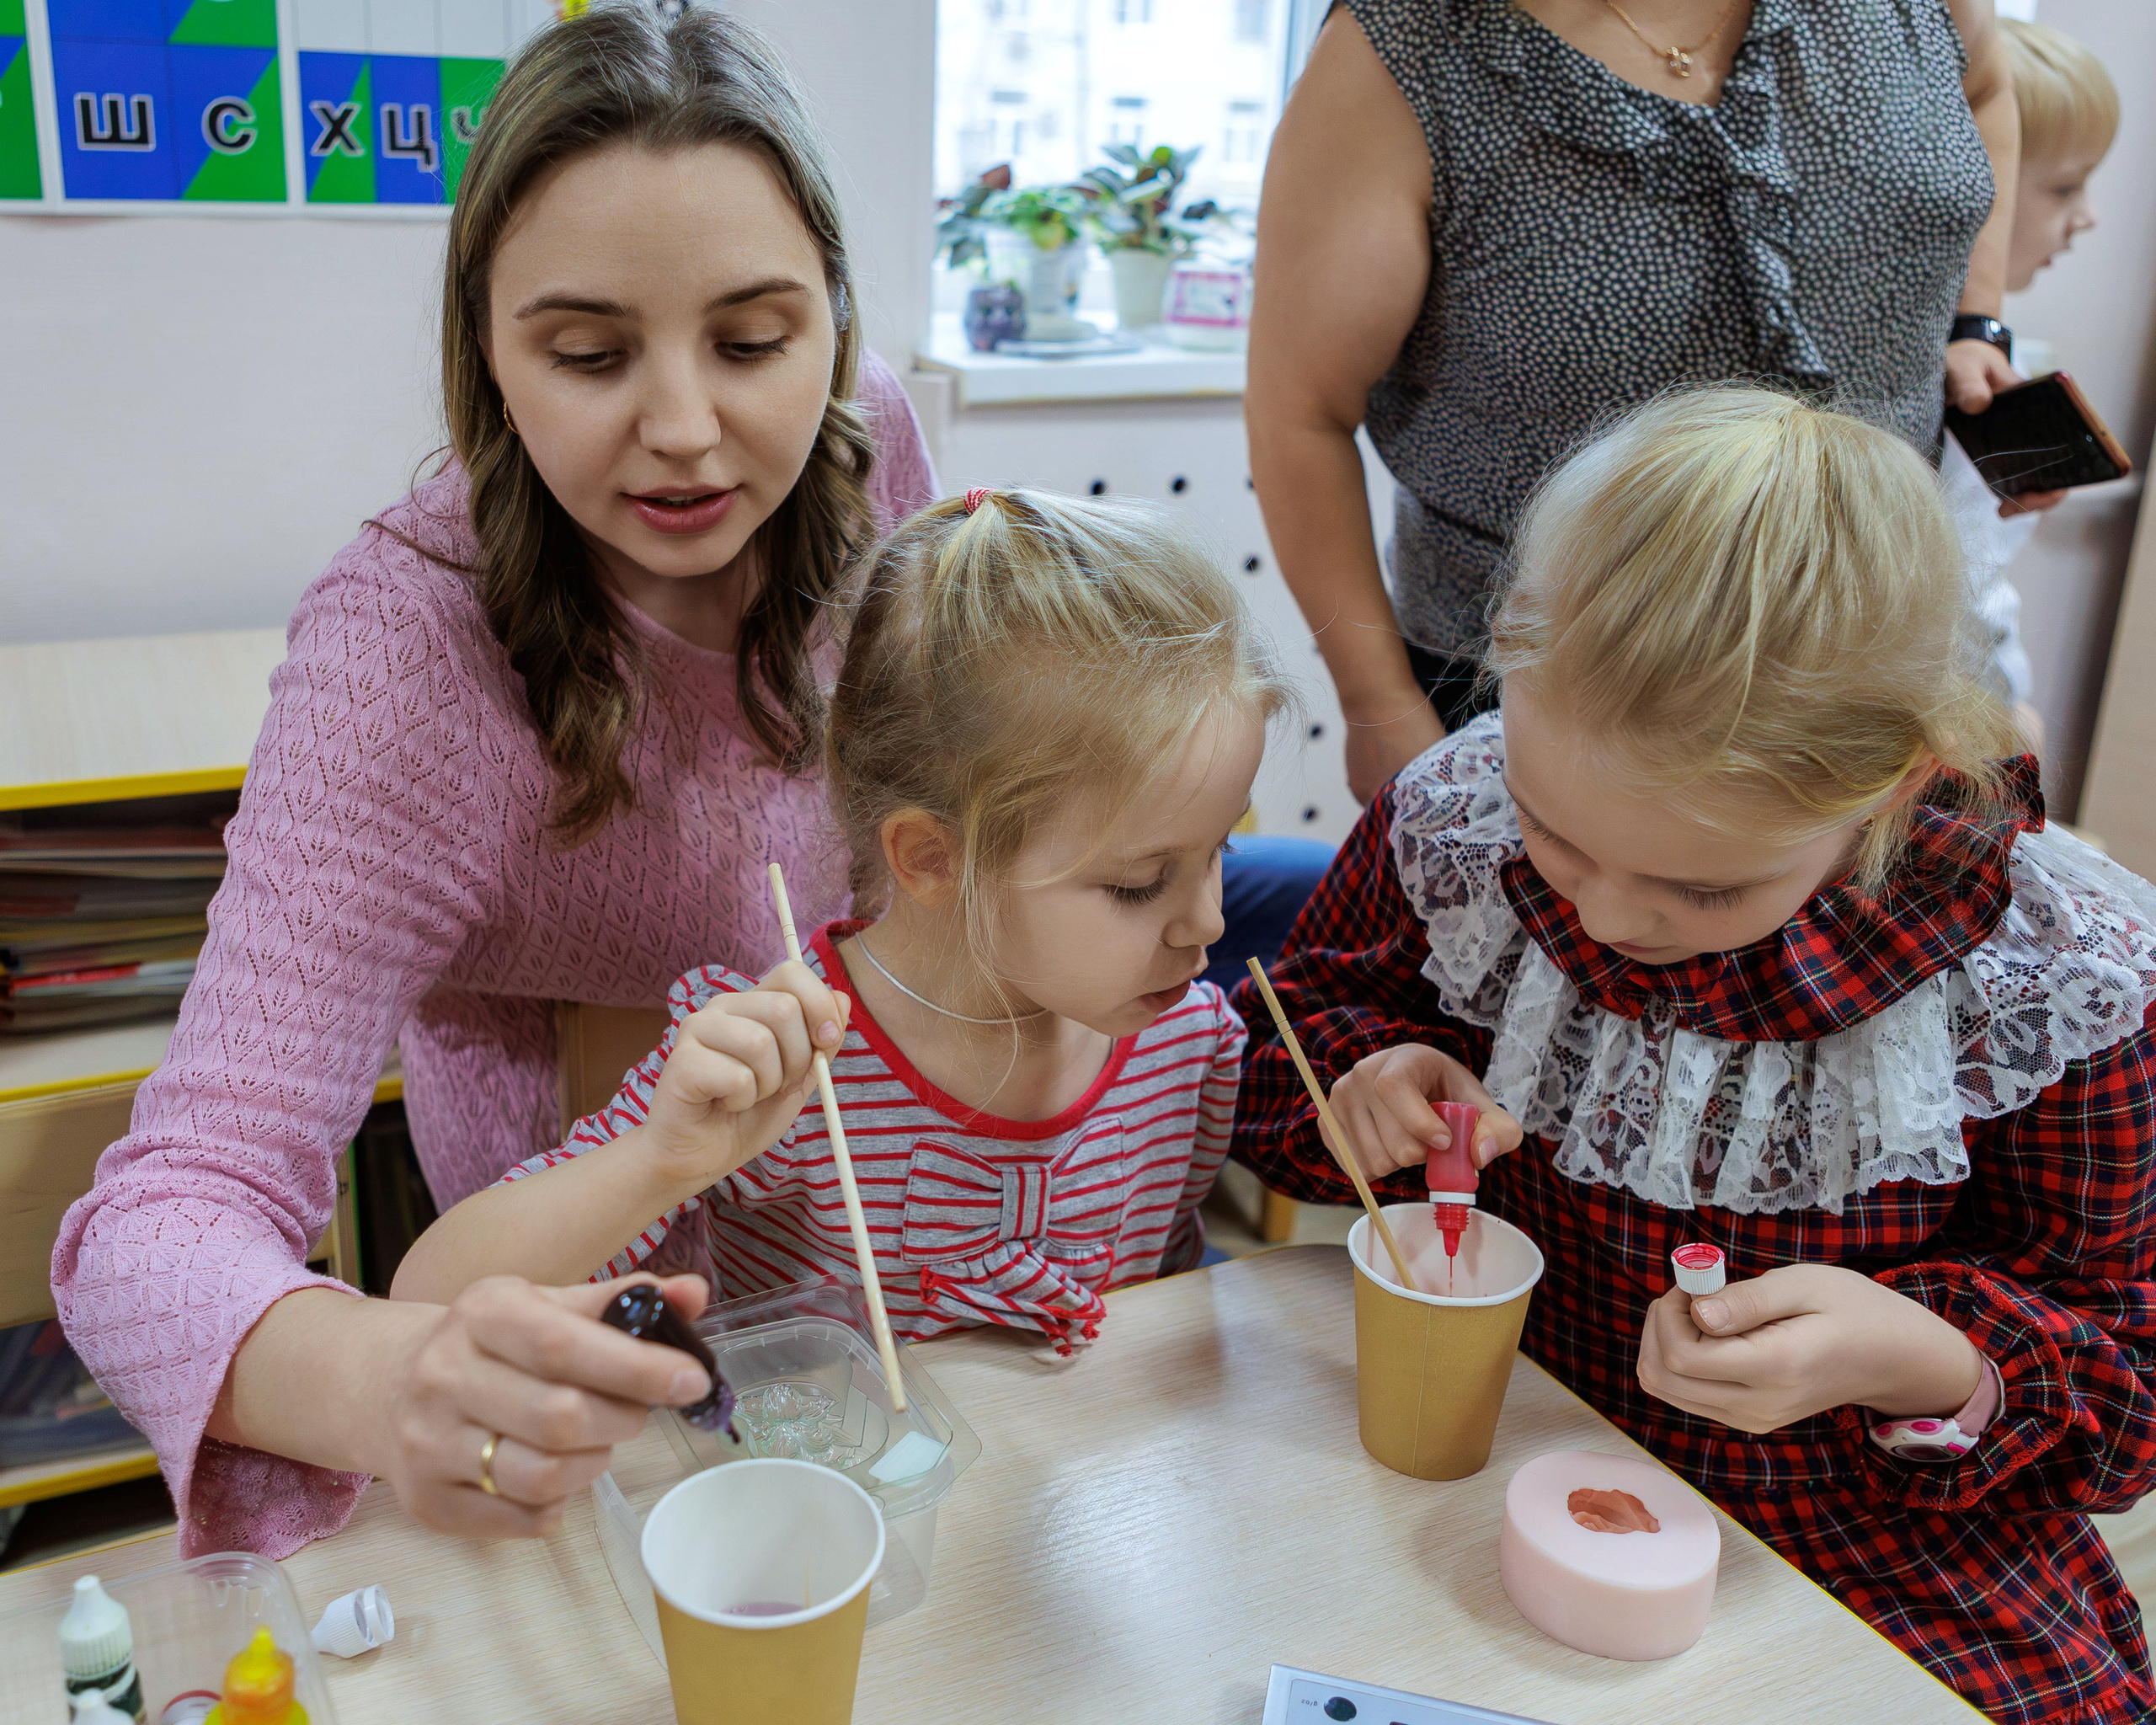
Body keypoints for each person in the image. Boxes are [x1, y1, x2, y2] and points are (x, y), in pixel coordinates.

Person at [51, 7, 943, 1557]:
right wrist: (384, 1373)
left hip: (880, 1256)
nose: (683, 431)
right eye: (588, 353)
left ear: (841, 328)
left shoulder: (875, 464)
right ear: (486, 351)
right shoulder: (405, 654)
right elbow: (155, 1223)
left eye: (753, 342)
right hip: (577, 1331)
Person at [1233, 387, 2156, 1723]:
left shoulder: (2049, 981)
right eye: (1557, 836)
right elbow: (1276, 1049)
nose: (1604, 917)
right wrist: (1363, 1084)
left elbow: (2128, 1392)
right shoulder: (1464, 830)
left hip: (1865, 1544)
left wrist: (1922, 1358)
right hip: (1493, 1449)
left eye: (1702, 893)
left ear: (1887, 785)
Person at [396, 489, 1284, 1363]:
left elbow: (1164, 1327)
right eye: (1139, 883)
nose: (1205, 923)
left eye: (1221, 852)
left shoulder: (1188, 1048)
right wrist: (660, 1158)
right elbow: (429, 1301)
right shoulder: (785, 1065)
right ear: (931, 858)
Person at [1248, 0, 2031, 806]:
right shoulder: (1407, 49)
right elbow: (1300, 417)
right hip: (1546, 695)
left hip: (1872, 654)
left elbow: (1991, 90)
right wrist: (1375, 701)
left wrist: (1977, 323)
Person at [1944, 14, 2121, 758]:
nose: (2087, 218)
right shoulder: (1914, 373)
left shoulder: (1984, 354)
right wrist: (2002, 719)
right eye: (2065, 187)